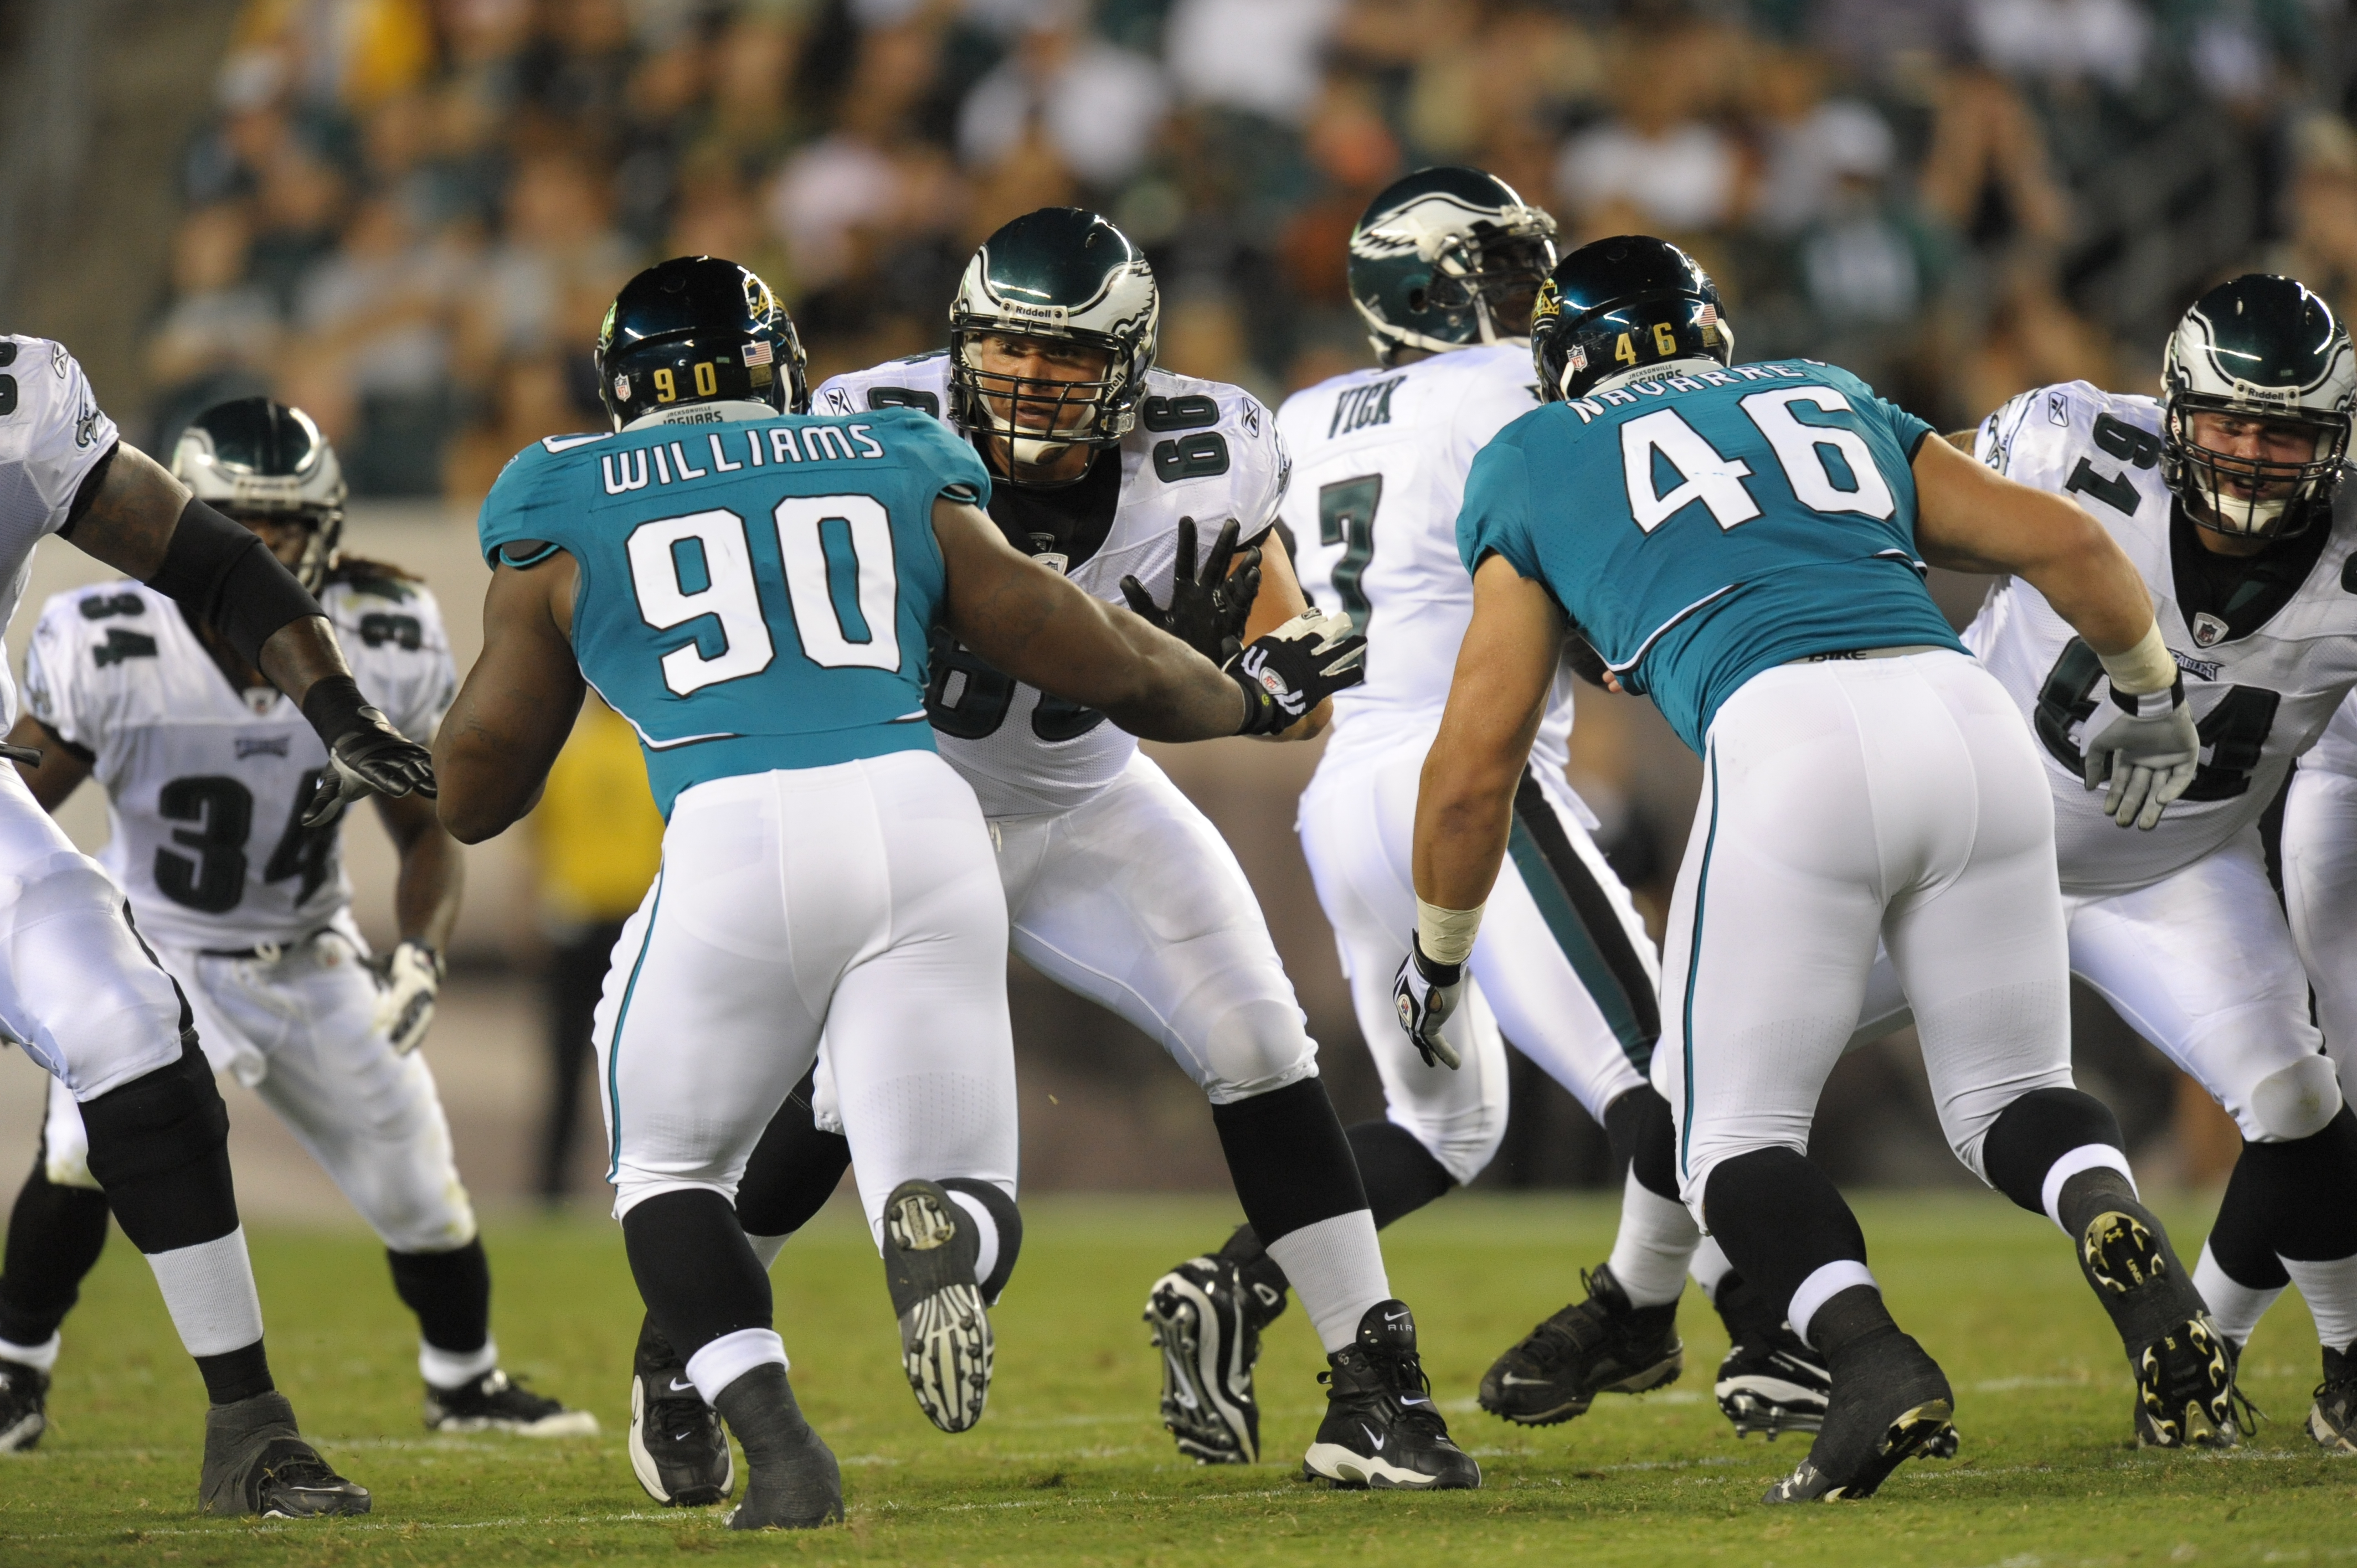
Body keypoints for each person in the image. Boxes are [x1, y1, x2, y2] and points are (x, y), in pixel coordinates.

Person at [431, 255, 1367, 1529]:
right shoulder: (887, 453)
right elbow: (1075, 640)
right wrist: (1250, 693)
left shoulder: (558, 487)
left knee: (666, 1170)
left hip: (734, 825)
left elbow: (482, 783)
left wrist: (411, 764)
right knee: (957, 1172)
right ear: (784, 369)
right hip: (925, 815)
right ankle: (945, 1240)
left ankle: (770, 1436)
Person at [1405, 235, 2233, 1502]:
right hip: (1966, 722)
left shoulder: (1532, 452)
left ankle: (1867, 1358)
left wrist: (1441, 954)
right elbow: (2065, 543)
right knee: (2012, 1092)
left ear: (1560, 364)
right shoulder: (1822, 391)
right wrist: (2151, 690)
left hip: (1788, 737)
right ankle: (2114, 1225)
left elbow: (1477, 763)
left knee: (1722, 1134)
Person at [1156, 165, 1833, 1459]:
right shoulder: (1511, 391)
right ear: (1427, 282)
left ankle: (1239, 1282)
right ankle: (1766, 1319)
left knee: (1448, 1124)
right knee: (1667, 1073)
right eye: (1505, 270)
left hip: (1344, 792)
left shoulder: (1300, 413)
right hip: (1465, 783)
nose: (1534, 293)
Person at [0, 397, 594, 1450]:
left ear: (328, 525)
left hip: (311, 953)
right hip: (163, 947)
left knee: (421, 1183)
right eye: (244, 523)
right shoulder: (112, 643)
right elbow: (30, 797)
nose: (267, 546)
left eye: (289, 523)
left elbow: (426, 833)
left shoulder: (385, 634)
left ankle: (464, 1381)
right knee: (79, 1149)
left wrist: (420, 951)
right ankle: (17, 1375)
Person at [0, 335, 432, 1515]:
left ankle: (248, 1428)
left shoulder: (20, 394)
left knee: (131, 1017)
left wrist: (337, 709)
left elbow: (221, 567)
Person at [1954, 275, 2357, 1456]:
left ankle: (2333, 1359)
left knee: (2296, 1097)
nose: (2249, 452)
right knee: (1721, 1063)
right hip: (1961, 849)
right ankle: (1683, 1296)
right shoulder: (2066, 441)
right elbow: (1883, 505)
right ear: (2173, 409)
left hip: (2168, 872)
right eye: (2229, 420)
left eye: (2283, 430)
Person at [526, 694, 664, 1204]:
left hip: (573, 921)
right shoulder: (654, 753)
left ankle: (551, 1187)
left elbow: (537, 840)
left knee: (564, 1064)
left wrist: (528, 915)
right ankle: (648, 1180)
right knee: (642, 1064)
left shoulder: (569, 754)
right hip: (637, 921)